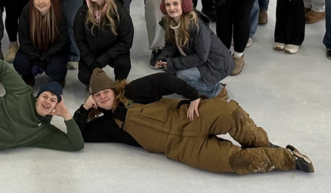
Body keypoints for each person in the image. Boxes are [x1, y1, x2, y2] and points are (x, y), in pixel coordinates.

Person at [74, 68, 313, 174]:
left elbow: (164, 80)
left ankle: (265, 145)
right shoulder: (108, 125)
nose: (103, 96)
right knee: (236, 161)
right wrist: (84, 110)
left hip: (190, 117)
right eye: (97, 95)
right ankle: (288, 159)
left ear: (114, 90)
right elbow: (79, 134)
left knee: (231, 114)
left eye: (105, 91)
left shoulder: (133, 92)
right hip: (185, 150)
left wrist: (192, 97)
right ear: (93, 99)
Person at [153, 0, 232, 99]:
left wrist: (172, 63)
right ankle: (197, 89)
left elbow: (201, 57)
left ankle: (217, 90)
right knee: (172, 73)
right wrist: (162, 59)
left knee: (182, 75)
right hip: (200, 58)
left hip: (216, 62)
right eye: (167, 5)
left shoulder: (197, 25)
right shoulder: (169, 22)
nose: (171, 8)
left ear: (184, 4)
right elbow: (171, 45)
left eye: (175, 3)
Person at [74, 0, 134, 85]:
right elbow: (80, 41)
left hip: (114, 52)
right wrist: (92, 62)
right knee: (84, 77)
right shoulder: (82, 13)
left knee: (123, 64)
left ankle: (119, 84)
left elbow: (126, 41)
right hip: (92, 52)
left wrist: (102, 60)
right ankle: (94, 83)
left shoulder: (119, 11)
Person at [15, 0, 70, 87]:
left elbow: (61, 41)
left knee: (56, 69)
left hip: (55, 52)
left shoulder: (59, 13)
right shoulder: (27, 12)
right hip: (34, 49)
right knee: (20, 64)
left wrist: (44, 58)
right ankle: (27, 75)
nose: (41, 2)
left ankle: (59, 77)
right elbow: (23, 39)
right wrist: (35, 57)